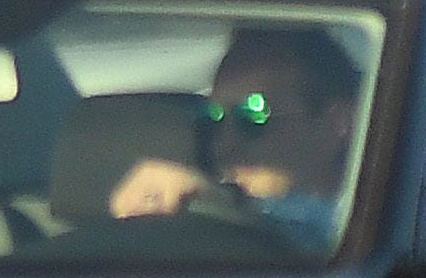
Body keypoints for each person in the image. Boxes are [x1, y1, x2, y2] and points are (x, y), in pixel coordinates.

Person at [109, 23, 369, 233]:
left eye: (254, 114)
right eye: (213, 119)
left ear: (339, 122)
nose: (224, 145)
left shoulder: (382, 219)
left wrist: (216, 205)